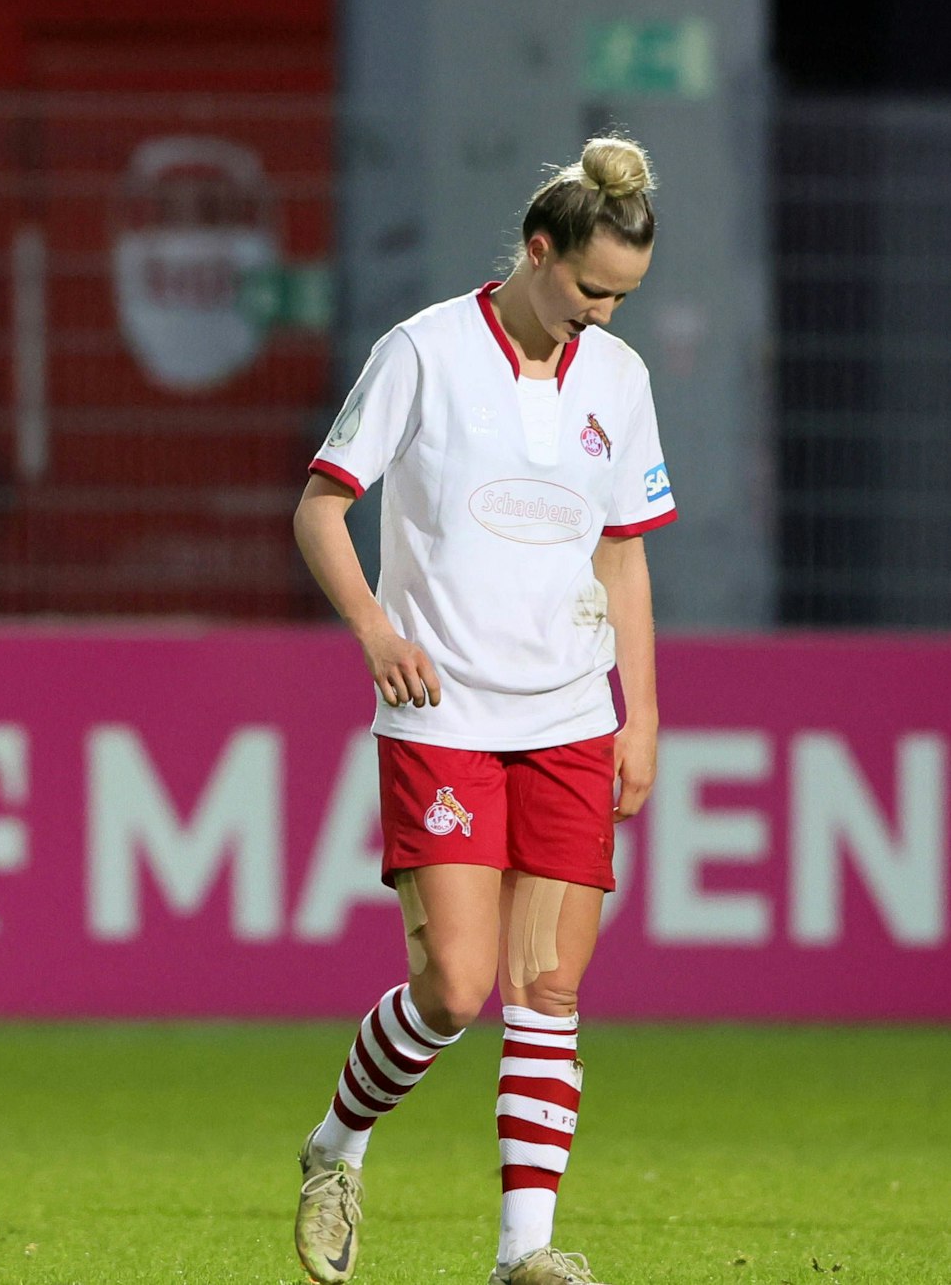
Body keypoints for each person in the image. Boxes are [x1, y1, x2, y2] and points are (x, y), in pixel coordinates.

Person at [289, 136, 676, 1285]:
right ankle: (336, 1144)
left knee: (548, 987)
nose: (602, 314)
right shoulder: (423, 351)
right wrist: (376, 629)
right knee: (455, 988)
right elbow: (320, 508)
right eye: (591, 288)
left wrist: (640, 713)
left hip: (570, 717)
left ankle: (524, 1253)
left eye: (623, 297)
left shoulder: (619, 379)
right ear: (539, 251)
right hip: (446, 714)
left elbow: (624, 554)